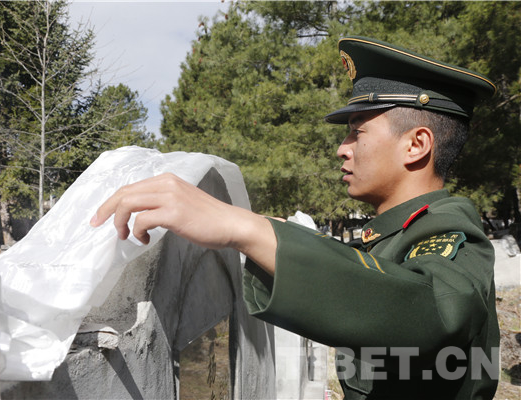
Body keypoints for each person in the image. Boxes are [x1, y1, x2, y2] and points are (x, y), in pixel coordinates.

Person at [90, 36, 499, 399]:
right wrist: (281, 237)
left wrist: (245, 228)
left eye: (357, 132)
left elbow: (431, 312)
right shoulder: (392, 235)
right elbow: (369, 288)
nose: (342, 148)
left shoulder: (450, 231)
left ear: (416, 145)